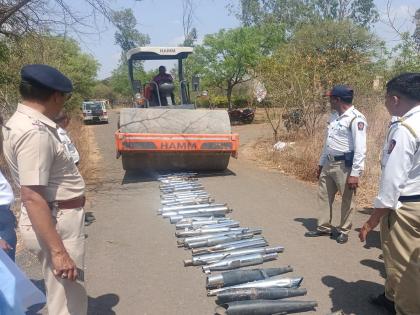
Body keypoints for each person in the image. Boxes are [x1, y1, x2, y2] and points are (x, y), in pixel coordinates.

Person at [2, 64, 87, 315]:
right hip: (55, 220)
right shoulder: (34, 132)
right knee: (67, 303)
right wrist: (59, 252)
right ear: (56, 95)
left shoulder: (21, 123)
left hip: (52, 217)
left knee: (61, 294)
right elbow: (32, 195)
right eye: (64, 97)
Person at [359, 73, 420, 315]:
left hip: (405, 207)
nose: (384, 103)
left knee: (404, 266)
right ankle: (390, 297)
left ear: (394, 99)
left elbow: (392, 183)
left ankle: (405, 309)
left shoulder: (406, 129)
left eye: (385, 98)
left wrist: (372, 220)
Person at [305, 85, 367, 244]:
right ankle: (323, 227)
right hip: (329, 162)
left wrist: (355, 173)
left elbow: (361, 149)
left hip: (344, 166)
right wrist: (321, 163)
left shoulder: (356, 118)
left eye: (331, 98)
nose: (329, 101)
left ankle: (343, 230)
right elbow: (328, 143)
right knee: (324, 196)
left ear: (338, 99)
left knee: (347, 199)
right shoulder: (334, 116)